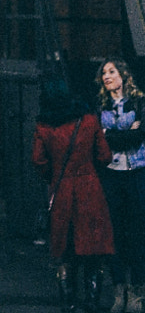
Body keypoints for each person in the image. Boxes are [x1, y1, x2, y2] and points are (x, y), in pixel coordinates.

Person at [34, 80, 115, 311]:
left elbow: (38, 160)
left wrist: (55, 175)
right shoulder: (88, 121)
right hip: (90, 190)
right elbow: (105, 155)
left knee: (64, 250)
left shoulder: (44, 126)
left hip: (61, 192)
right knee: (93, 248)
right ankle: (92, 300)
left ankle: (68, 301)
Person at [99, 61, 145, 313]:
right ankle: (120, 291)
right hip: (112, 175)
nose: (107, 77)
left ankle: (138, 292)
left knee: (137, 232)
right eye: (104, 73)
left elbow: (138, 137)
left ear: (124, 75)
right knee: (113, 233)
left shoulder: (139, 104)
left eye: (111, 71)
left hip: (137, 172)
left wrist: (112, 135)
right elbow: (103, 140)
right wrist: (126, 133)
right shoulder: (102, 107)